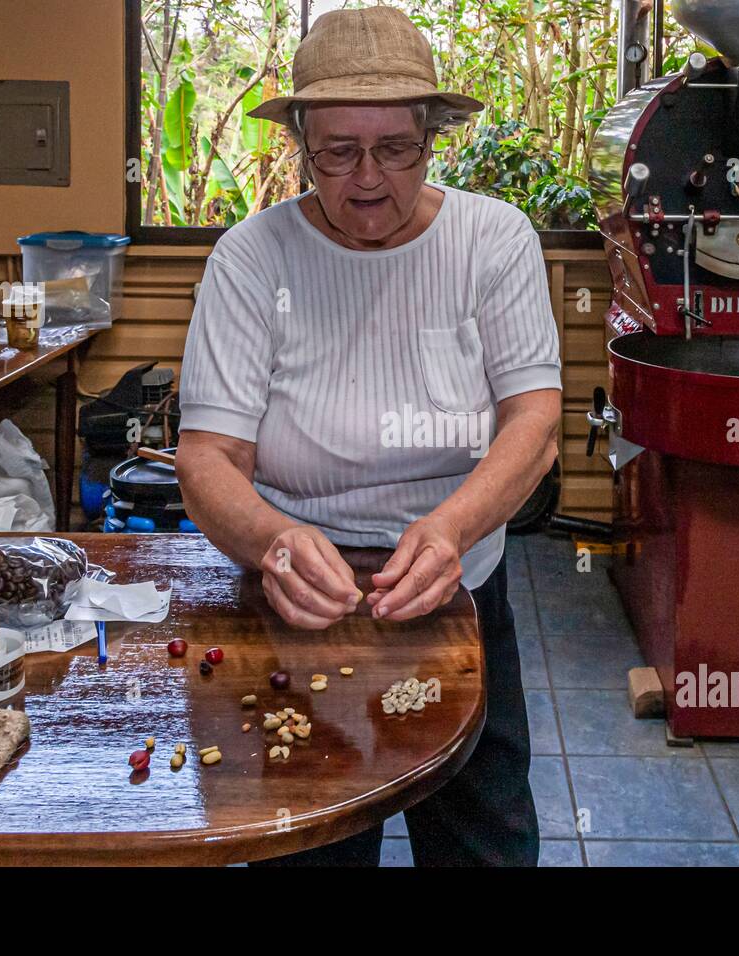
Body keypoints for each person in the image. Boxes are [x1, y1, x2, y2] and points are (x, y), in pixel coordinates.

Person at [175, 6, 560, 866]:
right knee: (308, 843)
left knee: (483, 844)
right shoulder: (252, 258)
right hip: (295, 597)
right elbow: (207, 458)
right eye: (339, 151)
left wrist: (453, 528)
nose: (369, 177)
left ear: (432, 139)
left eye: (395, 148)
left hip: (457, 585)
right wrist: (275, 542)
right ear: (301, 148)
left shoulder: (493, 240)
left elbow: (533, 425)